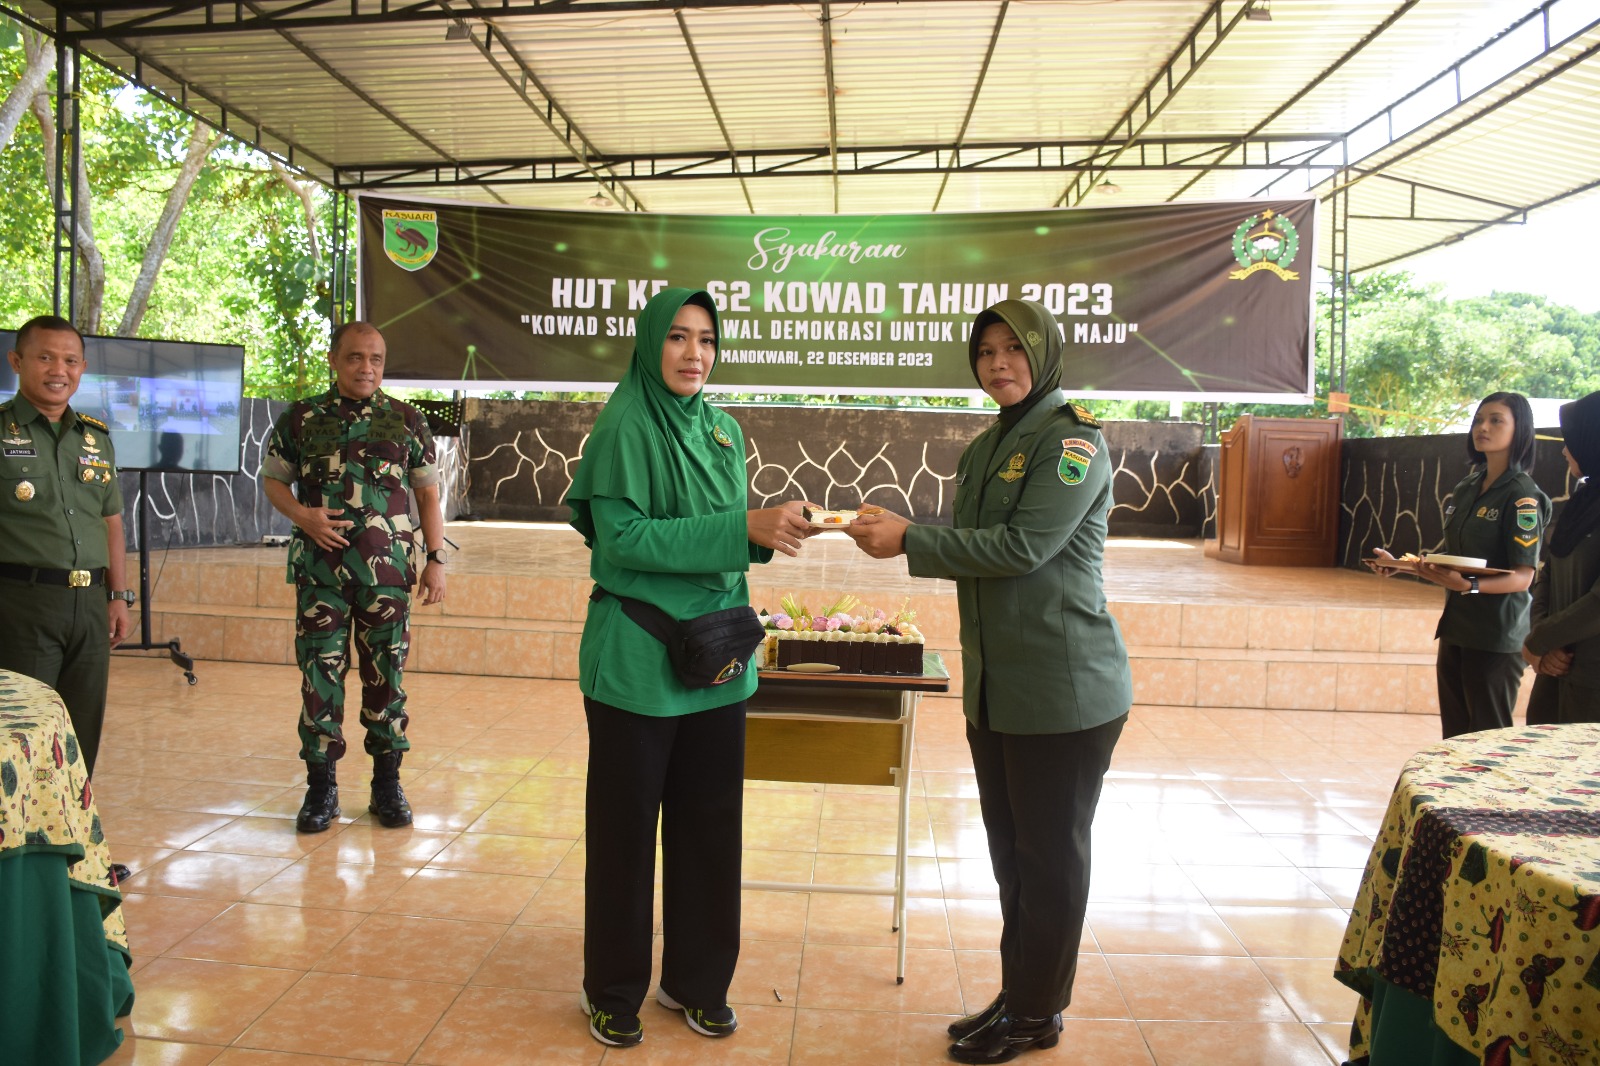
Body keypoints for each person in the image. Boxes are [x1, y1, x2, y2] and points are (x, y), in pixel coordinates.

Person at [844, 299, 1131, 1065]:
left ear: (1044, 352)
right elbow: (973, 543)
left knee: (1051, 856)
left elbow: (1023, 546)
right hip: (1000, 691)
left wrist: (909, 539)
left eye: (1014, 348)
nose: (998, 363)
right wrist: (902, 529)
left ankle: (1038, 1013)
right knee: (1013, 855)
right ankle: (1023, 993)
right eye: (985, 351)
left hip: (1064, 691)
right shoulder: (984, 448)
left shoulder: (1073, 441)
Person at [566, 287, 811, 1049]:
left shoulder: (723, 431)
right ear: (649, 344)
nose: (693, 354)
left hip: (714, 660)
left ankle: (697, 983)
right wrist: (740, 528)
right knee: (625, 834)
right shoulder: (623, 428)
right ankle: (611, 991)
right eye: (677, 337)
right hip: (639, 661)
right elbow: (624, 543)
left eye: (706, 339)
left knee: (712, 830)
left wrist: (765, 533)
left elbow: (721, 546)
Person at [261, 321, 446, 834]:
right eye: (356, 358)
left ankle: (387, 784)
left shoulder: (406, 419)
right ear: (334, 359)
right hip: (320, 575)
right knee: (320, 680)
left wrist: (436, 558)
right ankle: (321, 790)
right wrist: (303, 515)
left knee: (386, 678)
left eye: (377, 359)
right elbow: (273, 480)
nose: (367, 368)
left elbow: (428, 494)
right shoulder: (301, 418)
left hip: (387, 574)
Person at [1369, 392, 1549, 738]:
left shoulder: (1523, 496)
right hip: (1457, 629)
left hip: (1496, 636)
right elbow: (1454, 561)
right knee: (1454, 738)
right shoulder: (1467, 487)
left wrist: (1470, 587)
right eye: (1479, 419)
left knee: (1485, 740)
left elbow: (1523, 577)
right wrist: (1401, 566)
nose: (1483, 427)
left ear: (1520, 430)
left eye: (1496, 420)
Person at [0, 315, 133, 781]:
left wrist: (118, 596)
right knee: (26, 734)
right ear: (17, 362)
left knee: (81, 732)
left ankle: (77, 850)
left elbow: (110, 521)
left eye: (71, 360)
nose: (59, 369)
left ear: (82, 367)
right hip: (23, 603)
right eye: (45, 357)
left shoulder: (95, 439)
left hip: (90, 606)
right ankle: (23, 851)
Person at [1523, 390, 1600, 721]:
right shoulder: (1583, 499)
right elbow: (1549, 572)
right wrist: (1540, 640)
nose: (1565, 449)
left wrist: (1540, 639)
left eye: (1572, 438)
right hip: (1555, 667)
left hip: (1591, 680)